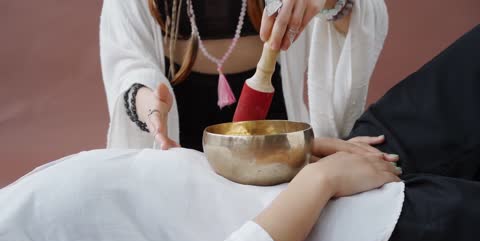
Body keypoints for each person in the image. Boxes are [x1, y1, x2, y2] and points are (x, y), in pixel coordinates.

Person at [1, 25, 479, 241]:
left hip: (310, 171)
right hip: (361, 236)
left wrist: (302, 154)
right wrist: (321, 181)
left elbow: (173, 213)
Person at [100, 0, 388, 151]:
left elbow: (357, 18)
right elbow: (128, 63)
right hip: (179, 170)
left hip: (281, 164)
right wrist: (147, 105)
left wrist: (329, 2)